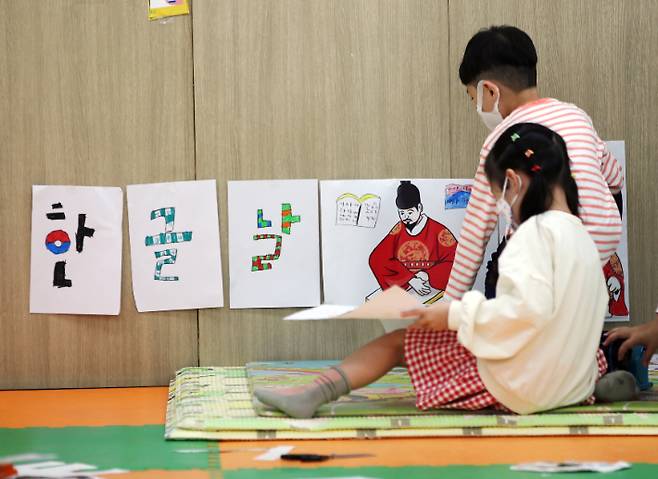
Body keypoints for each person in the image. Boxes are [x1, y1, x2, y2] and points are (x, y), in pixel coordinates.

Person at [255, 124, 614, 418]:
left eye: (498, 196)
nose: (502, 207)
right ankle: (598, 383)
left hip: (526, 387)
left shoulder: (530, 235)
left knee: (399, 342)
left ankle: (312, 395)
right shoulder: (582, 235)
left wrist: (453, 313)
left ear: (513, 183)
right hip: (570, 381)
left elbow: (524, 311)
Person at [444, 25, 624, 302]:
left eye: (473, 99)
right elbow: (615, 179)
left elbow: (475, 233)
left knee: (498, 267)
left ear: (489, 91)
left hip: (537, 269)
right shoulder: (576, 116)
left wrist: (447, 306)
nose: (477, 108)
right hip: (594, 256)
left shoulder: (499, 143)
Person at [369, 181, 457, 296]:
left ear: (419, 208)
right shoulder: (398, 230)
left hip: (430, 288)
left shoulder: (439, 232)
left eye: (410, 212)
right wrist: (409, 279)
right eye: (402, 213)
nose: (406, 218)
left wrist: (427, 275)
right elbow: (377, 259)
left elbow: (457, 261)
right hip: (407, 287)